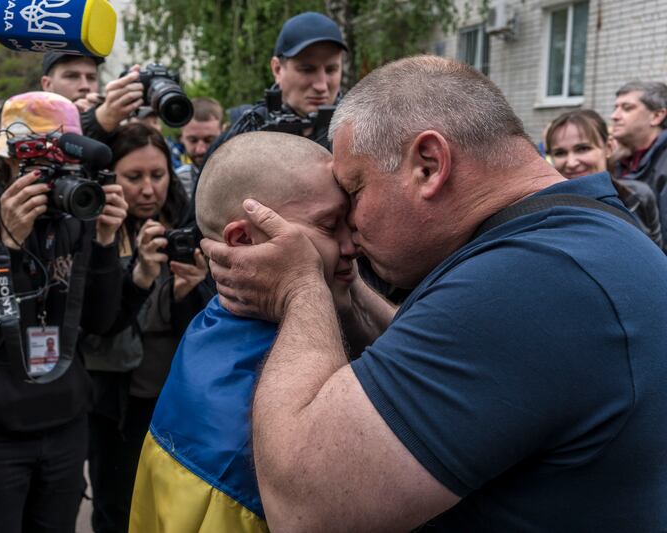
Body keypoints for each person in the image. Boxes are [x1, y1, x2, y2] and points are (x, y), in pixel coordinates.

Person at [202, 56, 667, 530]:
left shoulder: (528, 282)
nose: (353, 230)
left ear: (428, 165)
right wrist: (350, 293)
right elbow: (421, 355)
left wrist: (300, 290)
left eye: (355, 191)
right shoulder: (567, 239)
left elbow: (305, 507)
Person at [129, 131, 359, 533]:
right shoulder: (239, 428)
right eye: (329, 225)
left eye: (350, 221)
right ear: (245, 240)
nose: (352, 245)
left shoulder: (217, 328)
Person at [0, 91, 128, 533]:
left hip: (63, 425)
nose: (51, 179)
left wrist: (106, 242)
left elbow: (99, 321)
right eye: (39, 167)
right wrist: (8, 248)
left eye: (62, 167)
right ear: (7, 162)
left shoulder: (75, 217)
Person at [83, 122, 213, 533]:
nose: (147, 189)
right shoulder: (95, 228)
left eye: (157, 176)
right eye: (133, 177)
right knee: (116, 503)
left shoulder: (189, 223)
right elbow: (97, 321)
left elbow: (204, 325)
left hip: (174, 395)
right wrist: (137, 276)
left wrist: (187, 290)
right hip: (114, 402)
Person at [209, 12, 347, 154]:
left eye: (331, 70)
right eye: (307, 70)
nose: (321, 86)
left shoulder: (361, 131)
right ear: (277, 69)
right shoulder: (249, 129)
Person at [546, 108, 663, 248]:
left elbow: (658, 255)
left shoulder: (638, 196)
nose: (571, 163)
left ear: (608, 147)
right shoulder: (544, 210)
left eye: (582, 149)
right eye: (560, 153)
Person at [41, 52, 145, 145]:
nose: (85, 86)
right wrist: (101, 119)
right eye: (72, 76)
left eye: (91, 77)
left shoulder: (114, 126)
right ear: (48, 85)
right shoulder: (30, 127)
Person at [611, 81, 667, 234]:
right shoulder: (619, 158)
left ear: (656, 116)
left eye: (627, 108)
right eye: (615, 108)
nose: (614, 116)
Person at [175, 97, 224, 199]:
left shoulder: (239, 177)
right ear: (182, 138)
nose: (201, 150)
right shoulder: (175, 183)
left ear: (223, 133)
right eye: (193, 140)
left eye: (209, 140)